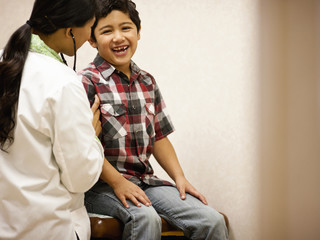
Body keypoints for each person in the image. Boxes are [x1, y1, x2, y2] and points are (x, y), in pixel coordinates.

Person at [79, 0, 228, 239]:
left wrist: (180, 178)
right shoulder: (86, 82)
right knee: (145, 217)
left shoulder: (147, 81)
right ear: (92, 40)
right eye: (107, 31)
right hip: (100, 187)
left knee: (211, 220)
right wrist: (118, 182)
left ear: (138, 32)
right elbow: (84, 147)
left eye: (126, 28)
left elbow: (159, 137)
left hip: (145, 181)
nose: (118, 37)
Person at [0, 0, 104, 239]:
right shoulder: (63, 82)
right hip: (50, 228)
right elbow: (80, 177)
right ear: (70, 31)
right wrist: (92, 137)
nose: (90, 36)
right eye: (90, 27)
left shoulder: (5, 64)